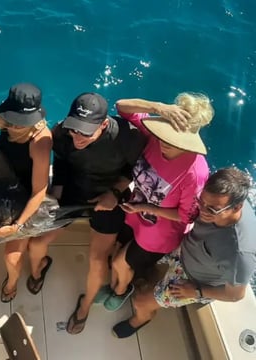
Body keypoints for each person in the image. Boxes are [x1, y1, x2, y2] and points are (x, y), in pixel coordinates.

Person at [37, 93, 146, 335]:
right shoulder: (63, 132)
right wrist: (56, 196)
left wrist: (115, 193)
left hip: (109, 195)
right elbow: (62, 164)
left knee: (98, 261)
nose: (77, 137)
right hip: (74, 191)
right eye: (74, 129)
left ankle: (85, 306)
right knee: (38, 242)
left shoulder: (129, 137)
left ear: (104, 124)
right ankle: (39, 268)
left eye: (86, 132)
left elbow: (134, 170)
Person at [113, 167, 256, 338]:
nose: (202, 211)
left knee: (140, 301)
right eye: (201, 201)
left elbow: (235, 295)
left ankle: (141, 318)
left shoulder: (240, 253)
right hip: (185, 249)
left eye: (212, 209)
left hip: (194, 281)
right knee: (139, 258)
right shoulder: (218, 202)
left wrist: (197, 291)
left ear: (236, 207)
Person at [104, 93, 214, 313]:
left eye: (172, 141)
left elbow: (186, 216)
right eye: (164, 135)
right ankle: (116, 285)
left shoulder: (195, 173)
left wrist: (146, 208)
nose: (163, 143)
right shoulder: (156, 137)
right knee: (115, 251)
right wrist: (158, 106)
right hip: (134, 214)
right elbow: (121, 106)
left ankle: (119, 291)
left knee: (119, 263)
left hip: (159, 234)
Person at [0, 83, 52, 303]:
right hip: (2, 179)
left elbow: (39, 191)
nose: (14, 125)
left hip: (26, 193)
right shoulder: (0, 116)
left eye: (21, 123)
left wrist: (17, 226)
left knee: (11, 259)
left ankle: (12, 282)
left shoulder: (41, 141)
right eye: (12, 120)